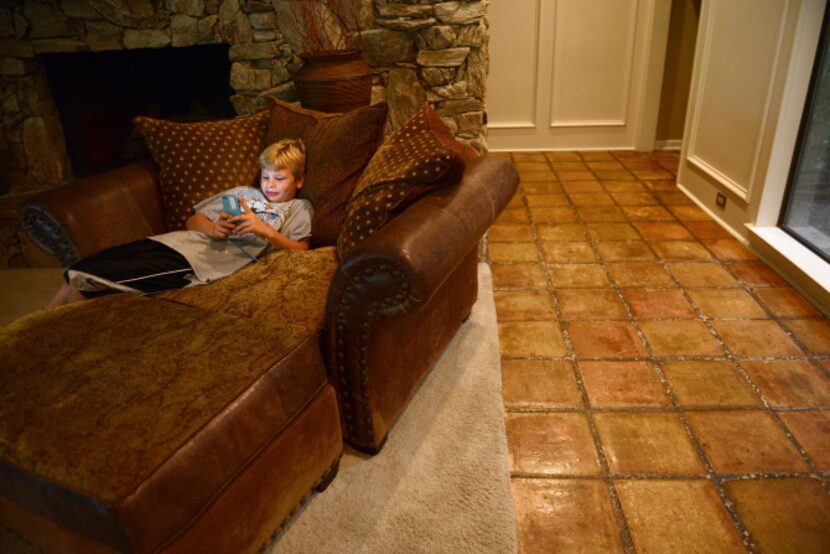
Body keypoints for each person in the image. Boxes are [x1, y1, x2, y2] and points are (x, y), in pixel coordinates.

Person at [46, 138, 313, 308]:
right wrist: (213, 228)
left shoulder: (297, 208)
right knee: (80, 267)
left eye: (280, 179)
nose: (270, 185)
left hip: (197, 264)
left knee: (90, 276)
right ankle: (39, 324)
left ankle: (54, 340)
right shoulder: (243, 192)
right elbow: (192, 221)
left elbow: (302, 250)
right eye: (266, 177)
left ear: (299, 180)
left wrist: (265, 230)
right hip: (174, 242)